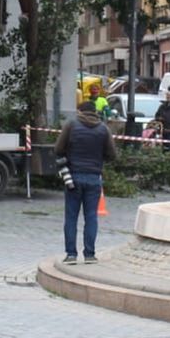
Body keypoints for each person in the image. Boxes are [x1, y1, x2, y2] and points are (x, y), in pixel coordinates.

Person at [54, 100, 117, 264]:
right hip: (94, 177)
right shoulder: (103, 129)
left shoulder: (71, 125)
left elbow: (58, 149)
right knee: (91, 216)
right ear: (95, 112)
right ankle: (90, 254)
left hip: (73, 177)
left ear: (80, 111)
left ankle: (71, 254)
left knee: (71, 217)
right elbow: (112, 155)